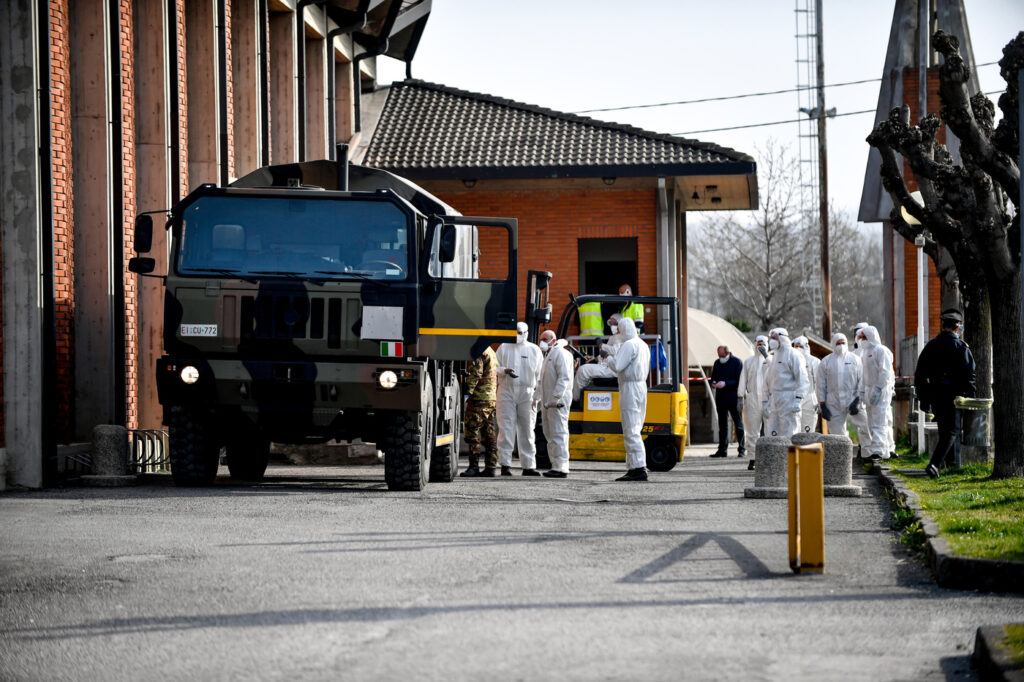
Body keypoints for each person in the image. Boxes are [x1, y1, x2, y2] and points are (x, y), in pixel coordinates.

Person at [914, 308, 977, 478]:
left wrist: (923, 398)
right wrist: (971, 396)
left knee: (944, 430)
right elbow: (969, 374)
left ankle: (949, 465)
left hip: (936, 395)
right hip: (955, 396)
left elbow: (920, 375)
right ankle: (934, 464)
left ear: (943, 326)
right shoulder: (961, 347)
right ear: (957, 328)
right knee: (952, 431)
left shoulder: (931, 346)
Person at [496, 322, 544, 476]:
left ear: (527, 333)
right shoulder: (504, 347)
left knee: (528, 428)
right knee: (506, 428)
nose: (518, 335)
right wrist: (505, 371)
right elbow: (495, 368)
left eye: (521, 332)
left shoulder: (534, 350)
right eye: (516, 332)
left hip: (527, 393)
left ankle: (529, 466)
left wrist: (537, 396)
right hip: (506, 391)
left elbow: (540, 376)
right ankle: (505, 464)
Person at [613, 317, 651, 481]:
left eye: (619, 329)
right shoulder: (642, 344)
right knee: (636, 426)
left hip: (630, 387)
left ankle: (638, 467)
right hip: (641, 386)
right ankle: (634, 466)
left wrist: (607, 358)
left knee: (630, 428)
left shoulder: (629, 345)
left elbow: (617, 366)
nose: (618, 333)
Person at [857, 325, 895, 464]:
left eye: (864, 337)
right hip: (868, 390)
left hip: (881, 391)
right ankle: (881, 450)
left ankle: (878, 450)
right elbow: (863, 374)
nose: (862, 340)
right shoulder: (864, 353)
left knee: (880, 421)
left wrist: (878, 389)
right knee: (872, 422)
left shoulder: (881, 350)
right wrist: (862, 391)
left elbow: (884, 372)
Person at [762, 328, 809, 440]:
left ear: (782, 338)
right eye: (771, 338)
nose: (771, 341)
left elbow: (802, 378)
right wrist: (766, 400)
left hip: (789, 398)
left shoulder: (793, 354)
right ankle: (775, 457)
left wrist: (798, 399)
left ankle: (790, 457)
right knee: (773, 430)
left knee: (789, 431)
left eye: (774, 338)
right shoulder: (775, 356)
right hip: (775, 399)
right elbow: (770, 379)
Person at [539, 329, 573, 478]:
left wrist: (556, 398)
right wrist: (537, 398)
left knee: (559, 432)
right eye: (541, 338)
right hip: (548, 402)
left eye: (545, 339)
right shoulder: (549, 356)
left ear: (554, 340)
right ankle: (556, 465)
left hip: (557, 402)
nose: (542, 341)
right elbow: (543, 382)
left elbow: (564, 378)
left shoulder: (560, 354)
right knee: (550, 433)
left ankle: (561, 467)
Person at [461, 345, 499, 477]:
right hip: (490, 398)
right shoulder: (491, 351)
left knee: (472, 432)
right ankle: (491, 467)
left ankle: (474, 466)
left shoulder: (479, 351)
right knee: (489, 433)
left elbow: (476, 373)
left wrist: (467, 392)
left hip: (479, 398)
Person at [816, 333, 862, 437]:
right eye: (838, 343)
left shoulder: (855, 359)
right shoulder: (826, 362)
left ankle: (869, 452)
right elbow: (820, 384)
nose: (841, 346)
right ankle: (842, 453)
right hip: (833, 402)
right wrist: (822, 405)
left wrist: (858, 399)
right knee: (837, 435)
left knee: (865, 427)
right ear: (833, 344)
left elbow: (862, 380)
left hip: (853, 399)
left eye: (843, 343)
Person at [573, 313, 623, 401]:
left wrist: (601, 345)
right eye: (610, 323)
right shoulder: (613, 337)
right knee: (585, 371)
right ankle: (581, 398)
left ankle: (575, 400)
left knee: (583, 370)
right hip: (607, 366)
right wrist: (593, 359)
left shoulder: (621, 337)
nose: (612, 326)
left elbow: (614, 351)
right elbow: (605, 353)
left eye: (614, 323)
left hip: (612, 369)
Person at [738, 335, 769, 467]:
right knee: (752, 431)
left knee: (769, 430)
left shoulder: (771, 361)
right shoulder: (748, 362)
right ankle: (753, 458)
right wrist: (740, 396)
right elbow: (743, 379)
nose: (760, 346)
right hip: (752, 400)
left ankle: (769, 458)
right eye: (758, 344)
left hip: (768, 400)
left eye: (763, 344)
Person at [710, 345, 745, 457]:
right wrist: (714, 383)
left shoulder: (737, 362)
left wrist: (726, 383)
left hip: (733, 397)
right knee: (722, 426)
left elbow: (740, 381)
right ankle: (722, 450)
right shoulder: (717, 363)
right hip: (721, 398)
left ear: (728, 353)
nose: (721, 358)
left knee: (738, 424)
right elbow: (713, 377)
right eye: (719, 356)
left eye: (722, 355)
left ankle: (742, 449)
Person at [847, 322, 871, 455]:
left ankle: (872, 451)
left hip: (872, 393)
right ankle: (865, 450)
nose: (858, 336)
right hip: (857, 394)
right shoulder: (853, 354)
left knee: (872, 424)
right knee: (862, 424)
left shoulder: (874, 351)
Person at [792, 336, 821, 433]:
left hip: (809, 400)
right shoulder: (791, 360)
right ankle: (795, 449)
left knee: (808, 431)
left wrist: (820, 400)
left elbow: (819, 383)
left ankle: (807, 449)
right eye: (796, 346)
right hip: (794, 399)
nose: (798, 349)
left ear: (806, 347)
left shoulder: (814, 361)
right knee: (794, 431)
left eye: (800, 346)